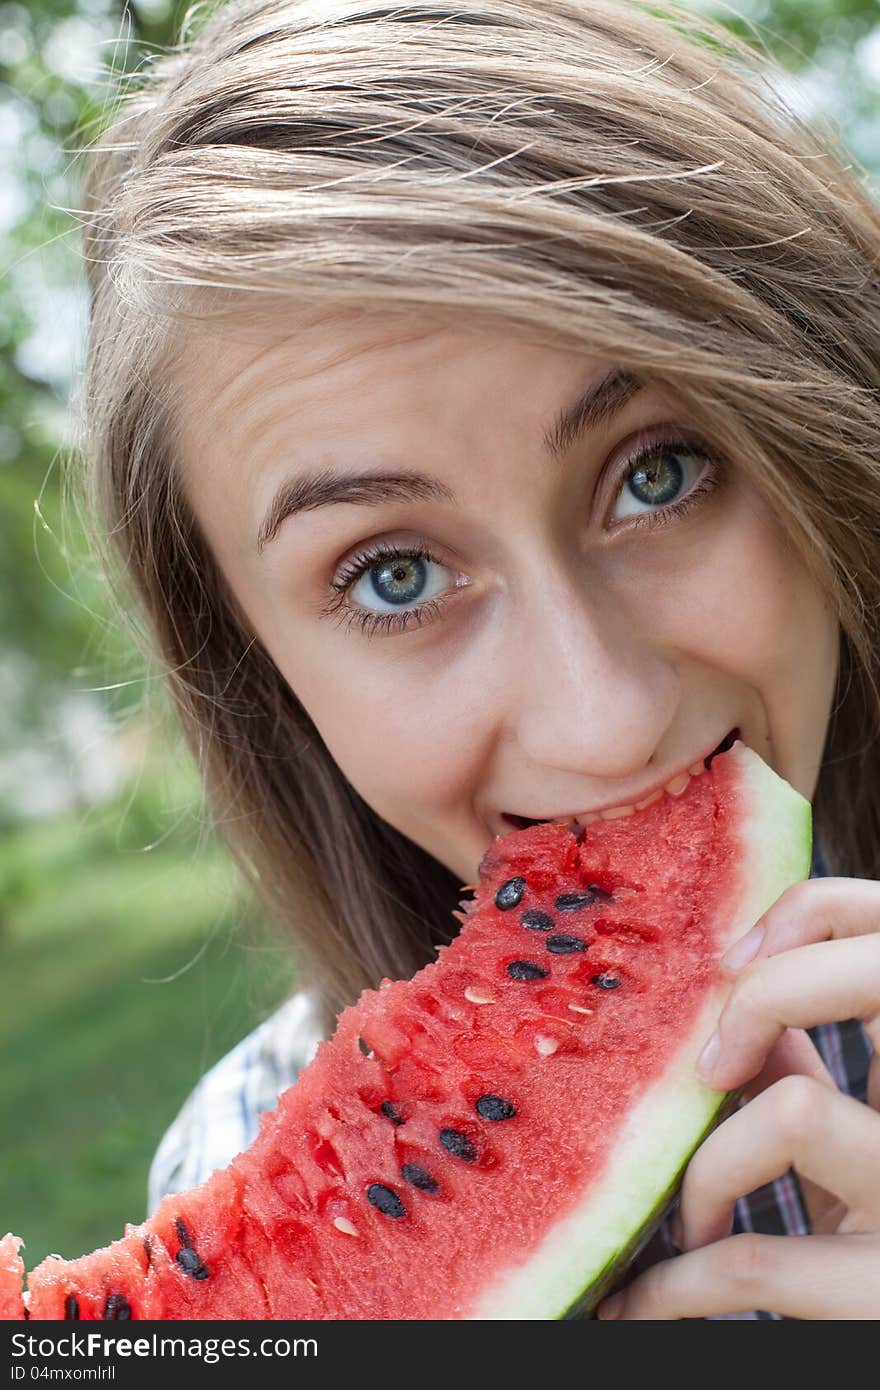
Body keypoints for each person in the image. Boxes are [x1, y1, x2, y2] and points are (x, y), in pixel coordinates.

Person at [72, 0, 880, 1318]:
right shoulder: (228, 1153)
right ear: (259, 664)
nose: (605, 715)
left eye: (658, 473)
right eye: (396, 575)